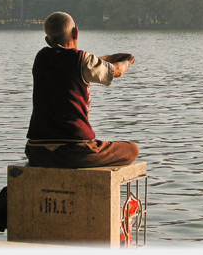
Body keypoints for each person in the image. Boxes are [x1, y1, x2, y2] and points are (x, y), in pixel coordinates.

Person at [25, 11, 139, 168]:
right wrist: (127, 61)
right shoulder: (82, 61)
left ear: (47, 40)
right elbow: (116, 71)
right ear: (75, 32)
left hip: (36, 152)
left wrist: (109, 57)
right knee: (131, 149)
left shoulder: (41, 59)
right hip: (72, 153)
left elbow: (77, 63)